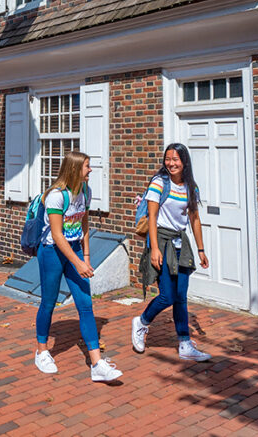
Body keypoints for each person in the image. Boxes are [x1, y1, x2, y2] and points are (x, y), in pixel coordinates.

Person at [34, 151, 122, 383]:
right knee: (48, 302)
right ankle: (42, 351)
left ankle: (97, 364)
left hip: (75, 251)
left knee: (86, 305)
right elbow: (57, 234)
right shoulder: (56, 196)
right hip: (52, 251)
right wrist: (78, 262)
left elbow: (84, 222)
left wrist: (87, 256)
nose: (90, 170)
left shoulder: (85, 191)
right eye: (86, 166)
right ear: (74, 169)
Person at [131, 143, 213, 362]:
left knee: (181, 297)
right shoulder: (159, 183)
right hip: (162, 242)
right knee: (167, 295)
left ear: (184, 162)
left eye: (175, 159)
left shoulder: (190, 187)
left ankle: (185, 343)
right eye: (168, 159)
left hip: (181, 244)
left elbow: (194, 219)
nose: (171, 163)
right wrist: (154, 248)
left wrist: (201, 249)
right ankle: (142, 322)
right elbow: (153, 217)